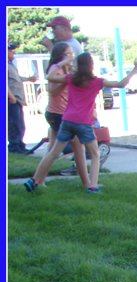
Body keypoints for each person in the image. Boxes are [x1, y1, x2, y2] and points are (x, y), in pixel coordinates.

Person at [24, 53, 137, 194]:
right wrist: (135, 69)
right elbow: (121, 84)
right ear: (91, 66)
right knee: (95, 154)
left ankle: (33, 180)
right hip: (83, 123)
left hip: (67, 120)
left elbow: (49, 77)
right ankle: (92, 187)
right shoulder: (97, 82)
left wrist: (61, 63)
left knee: (53, 152)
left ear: (77, 65)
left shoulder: (71, 78)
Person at [43, 42, 90, 189]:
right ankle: (87, 184)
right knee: (77, 148)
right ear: (61, 56)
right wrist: (65, 80)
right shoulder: (56, 69)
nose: (71, 56)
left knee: (53, 149)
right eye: (68, 54)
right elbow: (52, 91)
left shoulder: (67, 69)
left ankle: (38, 180)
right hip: (57, 114)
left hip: (61, 114)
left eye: (72, 54)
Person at [7, 42, 36, 154]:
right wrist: (11, 96)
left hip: (18, 99)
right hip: (11, 99)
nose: (13, 52)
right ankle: (14, 146)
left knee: (20, 124)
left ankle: (20, 145)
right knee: (14, 124)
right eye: (10, 51)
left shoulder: (11, 65)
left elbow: (15, 79)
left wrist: (28, 79)